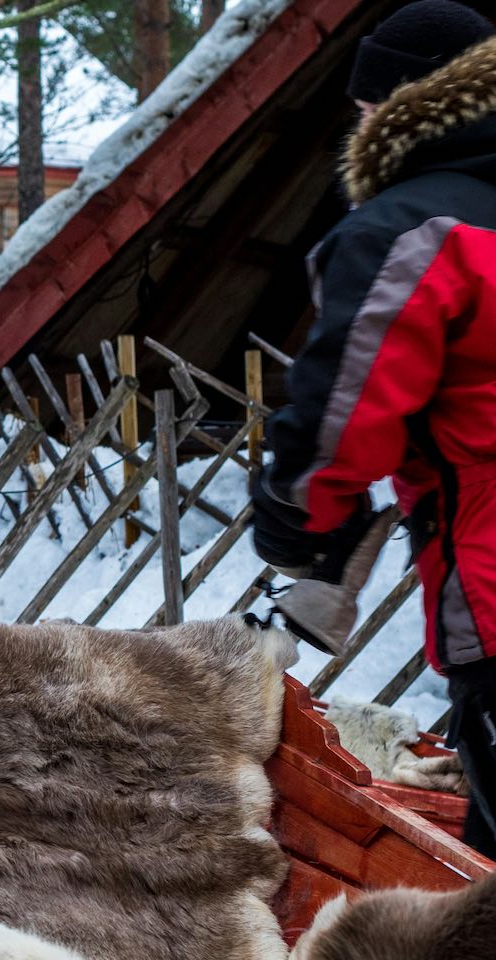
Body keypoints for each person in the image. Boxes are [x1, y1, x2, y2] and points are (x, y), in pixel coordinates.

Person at [249, 0, 496, 857]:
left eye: (363, 106)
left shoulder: (410, 231)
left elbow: (340, 426)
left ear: (401, 105)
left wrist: (298, 521)